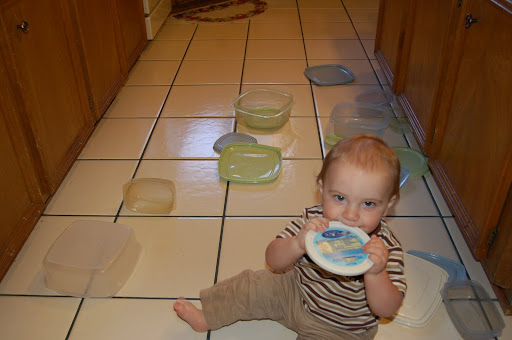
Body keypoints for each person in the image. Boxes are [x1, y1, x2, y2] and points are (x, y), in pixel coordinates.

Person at [173, 134, 406, 340]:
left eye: (368, 203)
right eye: (340, 198)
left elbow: (387, 309)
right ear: (322, 189)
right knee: (251, 285)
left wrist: (376, 273)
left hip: (341, 329)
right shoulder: (312, 221)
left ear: (388, 205)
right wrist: (297, 244)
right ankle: (209, 316)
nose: (351, 215)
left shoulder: (384, 248)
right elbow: (273, 260)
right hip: (294, 293)